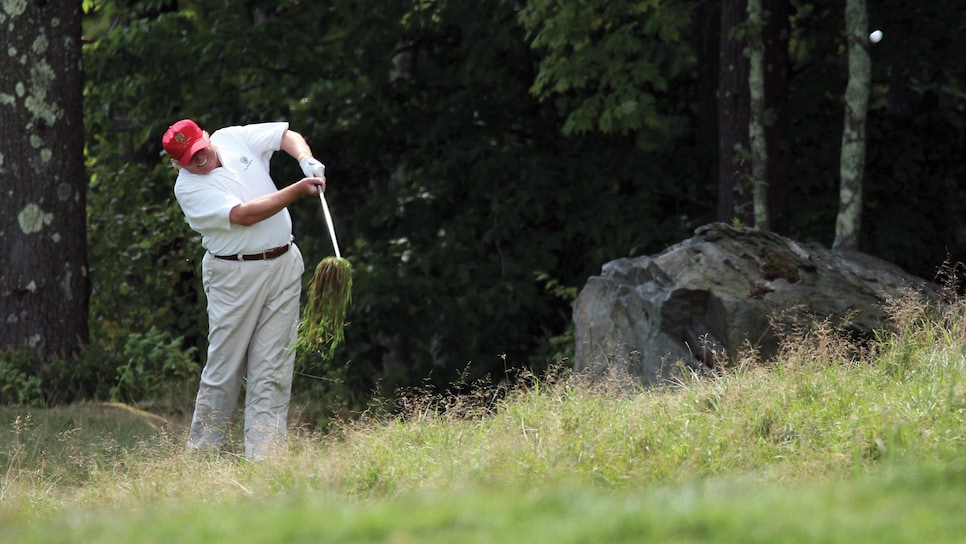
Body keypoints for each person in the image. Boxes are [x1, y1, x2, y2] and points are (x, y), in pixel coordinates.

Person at [161, 119, 327, 460]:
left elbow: (284, 136)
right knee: (225, 369)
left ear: (206, 137)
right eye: (190, 158)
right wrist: (298, 189)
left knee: (273, 369)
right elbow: (246, 215)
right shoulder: (189, 189)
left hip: (283, 263)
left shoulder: (232, 138)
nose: (199, 159)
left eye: (200, 149)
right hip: (234, 276)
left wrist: (305, 159)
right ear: (178, 163)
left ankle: (265, 462)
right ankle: (202, 458)